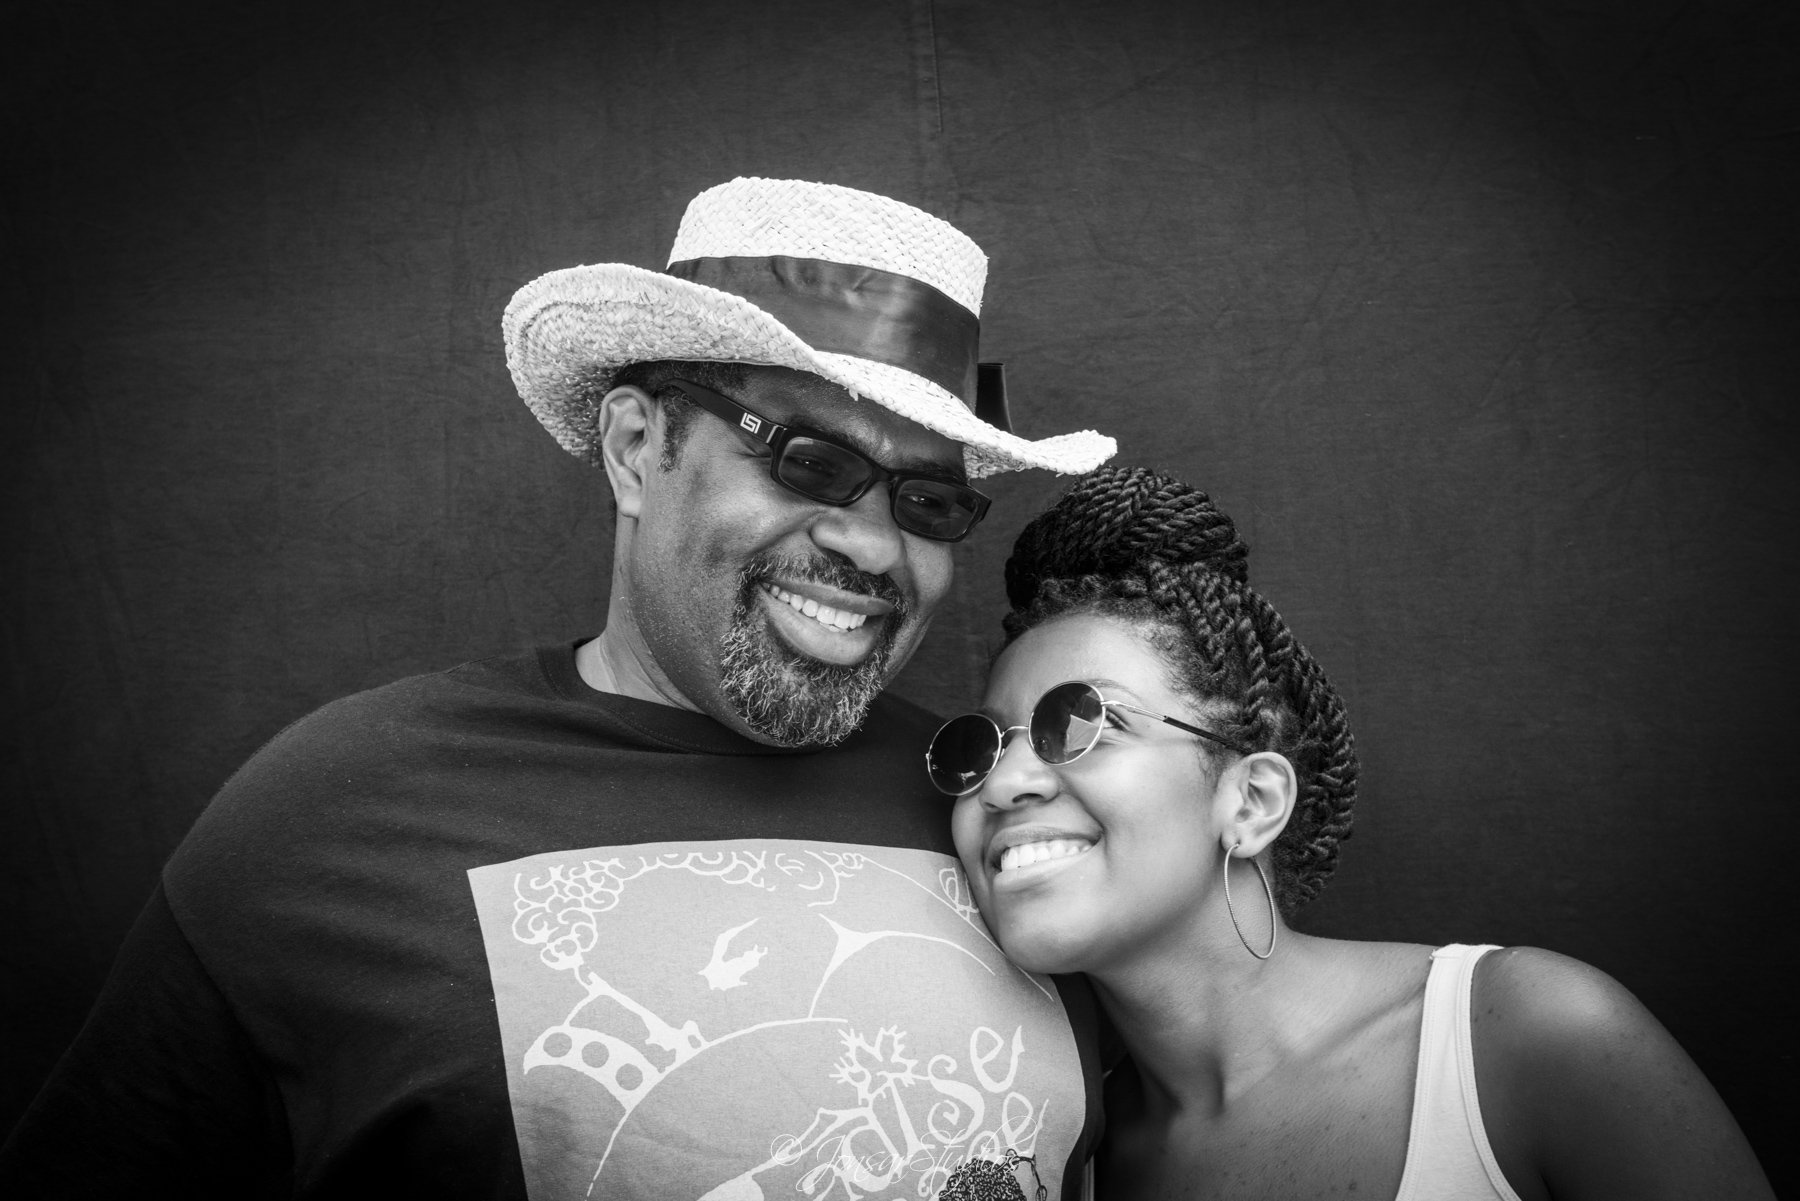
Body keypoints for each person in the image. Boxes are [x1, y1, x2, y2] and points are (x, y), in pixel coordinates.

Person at [0, 179, 1118, 1200]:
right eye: (811, 464)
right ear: (636, 449)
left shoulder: (1001, 812)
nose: (873, 551)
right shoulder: (330, 818)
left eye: (928, 504)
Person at [930, 466, 1775, 1200]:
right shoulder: (1058, 1151)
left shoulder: (1524, 1038)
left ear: (1252, 799)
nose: (1001, 783)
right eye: (979, 745)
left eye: (1080, 722)